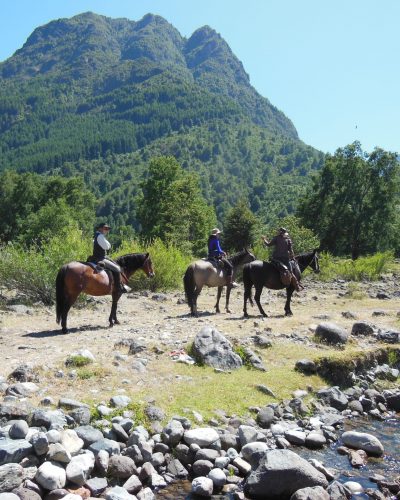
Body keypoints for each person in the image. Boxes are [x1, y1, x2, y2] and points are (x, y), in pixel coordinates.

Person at [91, 223, 131, 294]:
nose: (107, 230)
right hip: (100, 258)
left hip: (98, 256)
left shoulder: (97, 235)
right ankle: (119, 288)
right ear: (100, 229)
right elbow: (107, 247)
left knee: (115, 264)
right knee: (117, 269)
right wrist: (108, 244)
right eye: (105, 228)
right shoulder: (100, 236)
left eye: (108, 229)